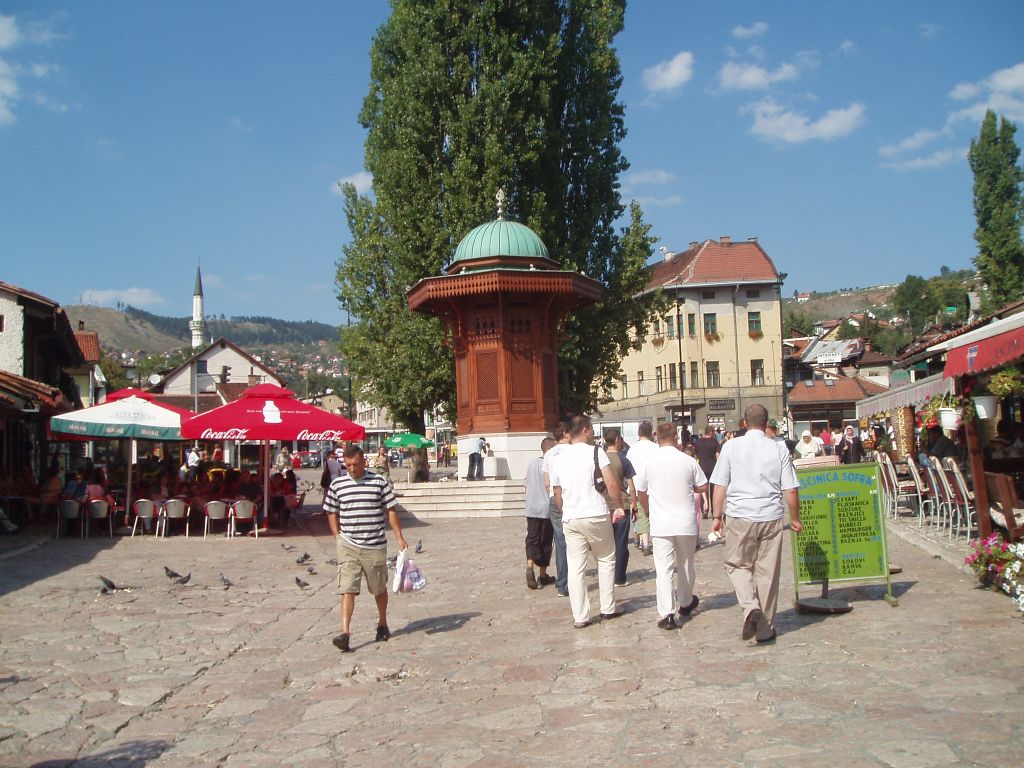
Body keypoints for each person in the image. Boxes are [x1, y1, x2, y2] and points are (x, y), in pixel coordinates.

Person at [710, 404, 802, 645]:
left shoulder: (730, 446)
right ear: (766, 423)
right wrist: (795, 518)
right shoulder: (779, 448)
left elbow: (720, 485)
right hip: (771, 515)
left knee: (737, 564)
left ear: (744, 422)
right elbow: (791, 488)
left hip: (740, 515)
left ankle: (750, 606)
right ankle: (765, 630)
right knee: (767, 573)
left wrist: (717, 516)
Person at [323, 445, 409, 652]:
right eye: (348, 465)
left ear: (364, 462)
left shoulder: (378, 482)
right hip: (348, 544)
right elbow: (331, 511)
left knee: (379, 589)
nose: (352, 468)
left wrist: (399, 537)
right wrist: (337, 536)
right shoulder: (338, 484)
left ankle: (382, 623)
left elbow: (390, 510)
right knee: (347, 588)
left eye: (356, 464)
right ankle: (345, 633)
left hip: (374, 544)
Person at [550, 415, 625, 629]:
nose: (593, 433)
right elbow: (610, 483)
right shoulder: (596, 452)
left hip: (571, 517)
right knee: (605, 559)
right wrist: (618, 505)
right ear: (584, 430)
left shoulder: (558, 457)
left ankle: (580, 616)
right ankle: (608, 607)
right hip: (595, 513)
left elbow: (557, 492)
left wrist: (565, 511)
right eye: (591, 429)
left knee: (576, 567)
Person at [635, 422, 708, 630]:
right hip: (685, 520)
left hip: (661, 522)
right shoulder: (687, 460)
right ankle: (685, 601)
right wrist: (688, 487)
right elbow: (703, 485)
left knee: (664, 568)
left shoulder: (649, 462)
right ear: (676, 437)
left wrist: (647, 510)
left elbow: (641, 491)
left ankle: (667, 613)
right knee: (686, 564)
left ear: (657, 438)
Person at [603, 429, 637, 587]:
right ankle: (619, 576)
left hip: (604, 504)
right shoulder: (623, 460)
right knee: (621, 542)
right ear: (617, 440)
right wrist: (634, 502)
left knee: (606, 543)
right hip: (622, 503)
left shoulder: (600, 458)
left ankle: (606, 574)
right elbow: (631, 485)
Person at [542, 422, 572, 598]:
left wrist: (552, 497)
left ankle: (562, 584)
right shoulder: (573, 451)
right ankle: (575, 581)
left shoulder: (549, 454)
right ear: (566, 433)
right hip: (571, 497)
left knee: (560, 542)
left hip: (554, 498)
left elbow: (547, 482)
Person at [523, 438, 557, 590]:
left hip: (531, 508)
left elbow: (526, 485)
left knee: (532, 538)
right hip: (547, 509)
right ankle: (542, 575)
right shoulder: (551, 464)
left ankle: (530, 566)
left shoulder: (532, 463)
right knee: (546, 541)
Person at [625, 421, 658, 554]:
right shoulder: (655, 447)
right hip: (651, 486)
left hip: (635, 485)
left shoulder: (632, 448)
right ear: (650, 433)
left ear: (639, 433)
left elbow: (627, 467)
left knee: (637, 513)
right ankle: (647, 543)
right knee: (648, 514)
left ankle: (638, 539)